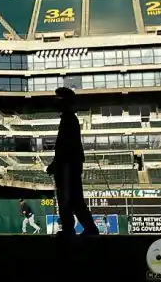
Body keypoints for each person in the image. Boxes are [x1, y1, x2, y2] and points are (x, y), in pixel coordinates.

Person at [46, 87, 99, 237]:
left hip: (67, 166)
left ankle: (70, 229)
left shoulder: (69, 120)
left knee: (67, 198)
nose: (55, 101)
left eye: (58, 98)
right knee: (74, 199)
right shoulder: (68, 119)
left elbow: (66, 147)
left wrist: (56, 164)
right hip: (69, 165)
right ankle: (88, 228)